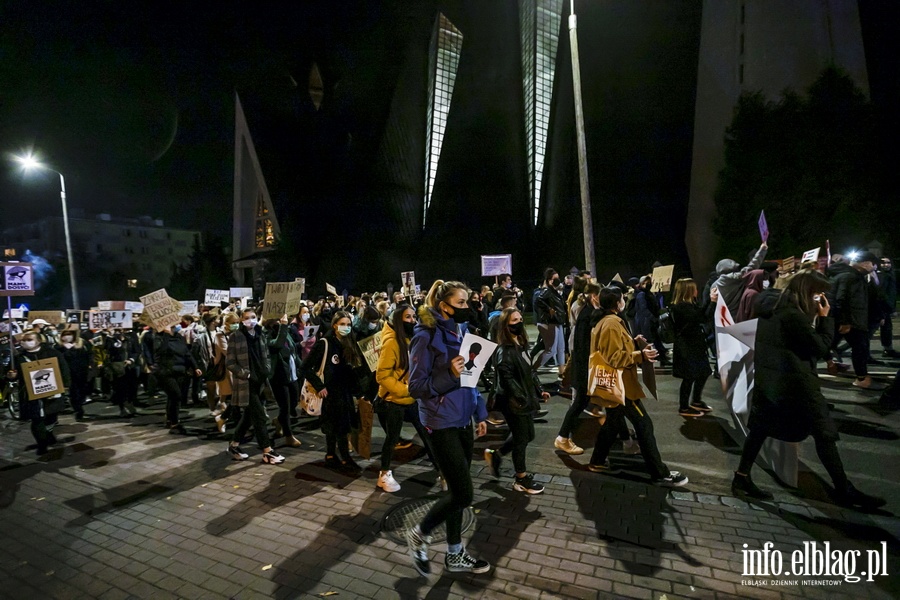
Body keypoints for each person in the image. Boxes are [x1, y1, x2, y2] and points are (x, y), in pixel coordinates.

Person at [731, 272, 885, 509]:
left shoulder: (771, 308)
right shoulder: (792, 315)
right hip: (796, 384)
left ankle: (741, 477)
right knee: (824, 433)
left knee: (760, 429)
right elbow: (820, 347)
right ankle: (843, 490)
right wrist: (825, 318)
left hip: (773, 381)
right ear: (807, 291)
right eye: (817, 294)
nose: (820, 299)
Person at [405, 280, 490, 576]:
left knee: (457, 491)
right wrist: (451, 375)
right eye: (462, 302)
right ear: (445, 306)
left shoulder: (461, 330)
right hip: (440, 422)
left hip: (463, 417)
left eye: (468, 301)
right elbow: (415, 388)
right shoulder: (424, 336)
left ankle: (455, 554)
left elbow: (471, 376)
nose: (468, 307)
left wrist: (479, 411)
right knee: (463, 494)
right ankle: (420, 533)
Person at [586, 287, 689, 487]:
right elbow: (614, 357)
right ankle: (659, 473)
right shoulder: (611, 324)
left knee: (613, 424)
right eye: (622, 298)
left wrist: (633, 343)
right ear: (616, 303)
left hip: (616, 386)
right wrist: (640, 355)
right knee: (644, 425)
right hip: (622, 387)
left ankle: (597, 461)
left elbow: (614, 348)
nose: (624, 301)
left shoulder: (608, 321)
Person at [484, 307, 548, 494]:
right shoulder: (504, 350)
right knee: (521, 438)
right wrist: (520, 396)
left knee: (529, 435)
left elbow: (529, 371)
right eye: (514, 320)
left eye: (520, 319)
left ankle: (496, 455)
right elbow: (506, 377)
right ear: (505, 325)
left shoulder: (520, 344)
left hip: (524, 398)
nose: (519, 323)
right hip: (513, 402)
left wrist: (539, 390)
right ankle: (521, 478)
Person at [375, 304, 435, 492]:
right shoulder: (392, 342)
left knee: (426, 432)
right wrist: (405, 390)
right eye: (408, 317)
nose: (413, 321)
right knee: (392, 439)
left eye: (414, 317)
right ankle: (384, 474)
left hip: (411, 397)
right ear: (399, 320)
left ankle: (441, 468)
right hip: (393, 400)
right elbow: (382, 375)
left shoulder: (412, 339)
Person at [300, 310, 362, 470]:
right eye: (342, 324)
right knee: (339, 426)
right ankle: (345, 458)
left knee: (337, 425)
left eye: (348, 324)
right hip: (330, 392)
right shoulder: (325, 343)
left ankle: (330, 454)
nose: (346, 327)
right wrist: (319, 387)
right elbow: (305, 367)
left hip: (345, 391)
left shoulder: (350, 342)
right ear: (334, 325)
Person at [225, 308, 285, 465]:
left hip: (260, 382)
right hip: (246, 383)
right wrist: (245, 374)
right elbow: (230, 362)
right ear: (241, 320)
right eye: (246, 317)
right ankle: (267, 452)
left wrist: (284, 325)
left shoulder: (260, 334)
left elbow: (274, 347)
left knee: (249, 417)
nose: (250, 320)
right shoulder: (236, 336)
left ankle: (234, 445)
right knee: (259, 416)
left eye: (253, 317)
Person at [6, 331, 71, 455]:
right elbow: (10, 375)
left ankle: (49, 433)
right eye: (23, 340)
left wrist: (65, 386)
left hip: (52, 392)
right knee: (37, 420)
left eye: (29, 339)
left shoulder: (52, 353)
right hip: (30, 395)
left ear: (39, 341)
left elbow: (64, 369)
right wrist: (12, 376)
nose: (25, 342)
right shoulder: (18, 358)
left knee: (51, 417)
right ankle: (42, 444)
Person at [555, 282, 601, 454]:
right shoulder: (589, 313)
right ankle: (562, 437)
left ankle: (623, 438)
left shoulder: (588, 311)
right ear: (594, 296)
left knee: (582, 402)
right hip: (585, 368)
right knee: (579, 402)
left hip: (584, 366)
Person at [829, 252, 877, 388]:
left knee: (828, 344)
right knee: (860, 348)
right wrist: (845, 321)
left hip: (850, 320)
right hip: (851, 321)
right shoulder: (851, 277)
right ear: (866, 263)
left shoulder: (850, 275)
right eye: (873, 264)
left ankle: (829, 364)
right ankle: (861, 378)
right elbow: (841, 299)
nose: (874, 268)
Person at [670, 279, 713, 418]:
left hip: (694, 345)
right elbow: (700, 318)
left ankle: (696, 400)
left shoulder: (689, 305)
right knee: (689, 377)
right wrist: (710, 302)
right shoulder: (681, 307)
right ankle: (684, 407)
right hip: (687, 347)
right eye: (694, 289)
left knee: (704, 372)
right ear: (688, 290)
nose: (697, 291)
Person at [153, 323, 201, 434]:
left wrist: (195, 367)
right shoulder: (158, 338)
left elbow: (187, 353)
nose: (174, 328)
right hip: (166, 372)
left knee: (173, 397)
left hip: (180, 371)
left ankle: (170, 419)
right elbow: (161, 352)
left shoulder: (179, 338)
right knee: (176, 395)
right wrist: (165, 335)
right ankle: (174, 423)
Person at [264, 316, 302, 448]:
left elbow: (292, 351)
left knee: (294, 402)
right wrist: (283, 326)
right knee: (285, 407)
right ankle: (288, 436)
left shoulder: (284, 331)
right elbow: (277, 345)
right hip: (279, 376)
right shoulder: (266, 334)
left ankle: (278, 421)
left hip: (292, 374)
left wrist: (302, 367)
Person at [533, 268, 567, 385]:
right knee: (551, 350)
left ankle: (562, 372)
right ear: (549, 280)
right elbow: (538, 301)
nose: (558, 281)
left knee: (561, 348)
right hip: (549, 322)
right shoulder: (547, 291)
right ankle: (533, 369)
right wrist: (548, 310)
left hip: (557, 322)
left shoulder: (555, 291)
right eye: (555, 279)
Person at [56, 327, 93, 421]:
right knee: (74, 392)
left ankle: (79, 404)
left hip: (82, 372)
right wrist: (67, 349)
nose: (67, 336)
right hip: (68, 373)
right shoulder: (59, 347)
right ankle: (78, 410)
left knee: (83, 391)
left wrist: (90, 365)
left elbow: (90, 354)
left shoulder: (82, 343)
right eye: (65, 334)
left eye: (69, 334)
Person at [104, 327, 140, 418]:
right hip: (117, 368)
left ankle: (129, 402)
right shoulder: (111, 341)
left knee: (132, 387)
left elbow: (137, 351)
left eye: (120, 330)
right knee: (120, 388)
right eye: (116, 331)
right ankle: (122, 408)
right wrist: (109, 337)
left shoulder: (130, 340)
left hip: (130, 367)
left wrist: (131, 360)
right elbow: (107, 350)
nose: (118, 332)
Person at [878, 256, 897, 358]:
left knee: (886, 329)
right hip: (882, 308)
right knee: (870, 331)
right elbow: (882, 294)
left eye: (888, 263)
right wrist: (891, 309)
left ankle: (888, 348)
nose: (886, 265)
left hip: (885, 308)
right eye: (883, 263)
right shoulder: (883, 276)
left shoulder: (889, 275)